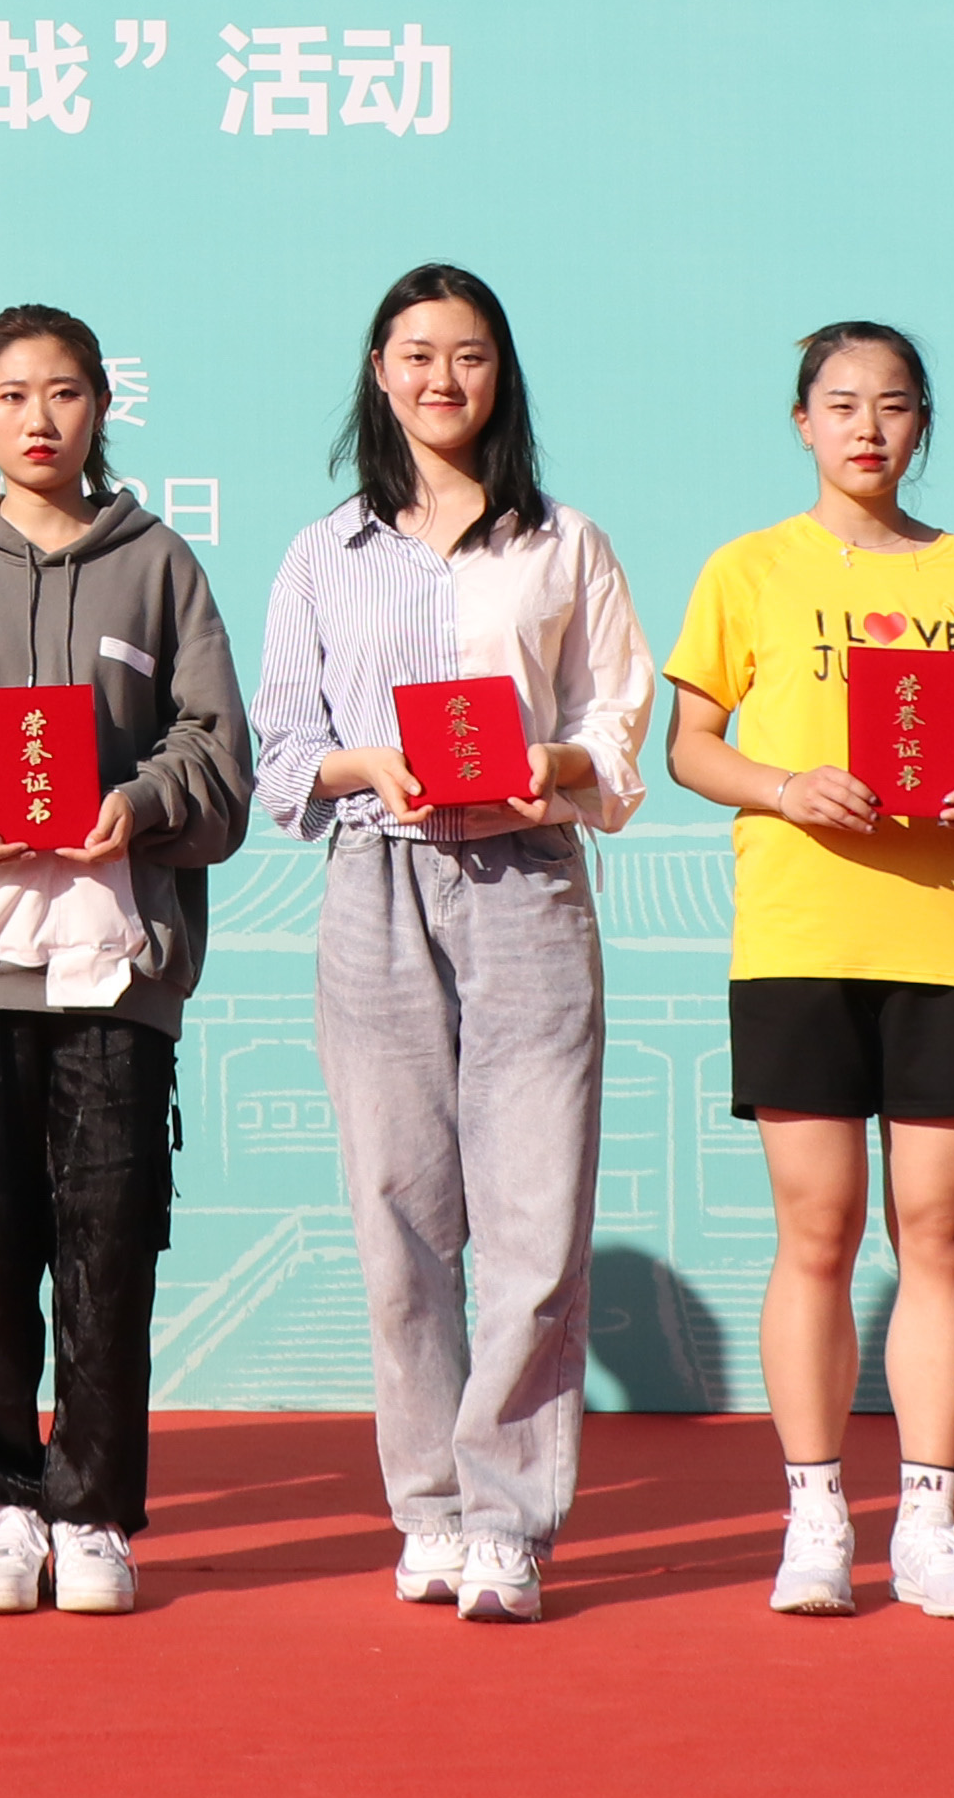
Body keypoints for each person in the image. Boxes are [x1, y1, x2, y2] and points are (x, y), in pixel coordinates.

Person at [250, 262, 654, 1624]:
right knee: (398, 1218)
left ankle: (509, 1522)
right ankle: (427, 1509)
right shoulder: (325, 553)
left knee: (535, 1218)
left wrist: (550, 762)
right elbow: (284, 752)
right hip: (378, 880)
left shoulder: (565, 543)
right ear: (379, 371)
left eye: (468, 354)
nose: (442, 377)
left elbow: (614, 723)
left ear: (501, 374)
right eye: (416, 353)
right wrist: (370, 764)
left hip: (526, 881)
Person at [0, 303, 253, 1616]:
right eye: (12, 394)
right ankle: (1, 1506)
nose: (39, 417)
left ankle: (94, 1511)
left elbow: (218, 753)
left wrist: (140, 801)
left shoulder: (160, 565)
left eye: (64, 392)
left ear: (101, 407)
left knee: (108, 1241)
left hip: (115, 970)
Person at [661, 320, 954, 1621]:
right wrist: (785, 787)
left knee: (938, 1231)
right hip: (801, 938)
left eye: (892, 404)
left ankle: (931, 1522)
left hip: (947, 937)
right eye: (840, 403)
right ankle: (815, 1515)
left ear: (922, 424)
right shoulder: (748, 568)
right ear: (802, 422)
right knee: (816, 1229)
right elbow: (691, 745)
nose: (867, 427)